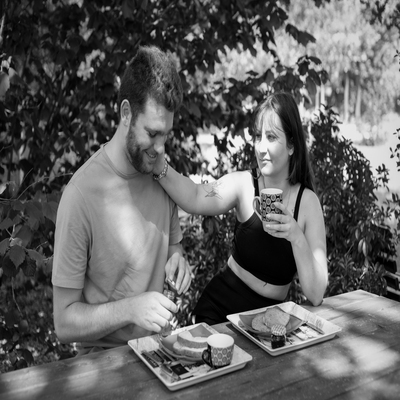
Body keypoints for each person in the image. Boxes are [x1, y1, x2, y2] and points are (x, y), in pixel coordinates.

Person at [52, 46, 192, 353]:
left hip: (157, 352)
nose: (160, 148)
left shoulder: (161, 175)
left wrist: (177, 261)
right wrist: (131, 309)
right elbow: (63, 322)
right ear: (126, 113)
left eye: (166, 135)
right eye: (152, 133)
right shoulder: (80, 195)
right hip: (103, 363)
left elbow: (173, 248)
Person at [153, 92, 328, 325]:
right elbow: (194, 196)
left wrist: (296, 236)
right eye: (257, 137)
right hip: (218, 313)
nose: (261, 148)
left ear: (291, 145)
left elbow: (316, 295)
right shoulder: (244, 185)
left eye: (271, 137)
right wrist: (159, 166)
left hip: (266, 325)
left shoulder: (307, 204)